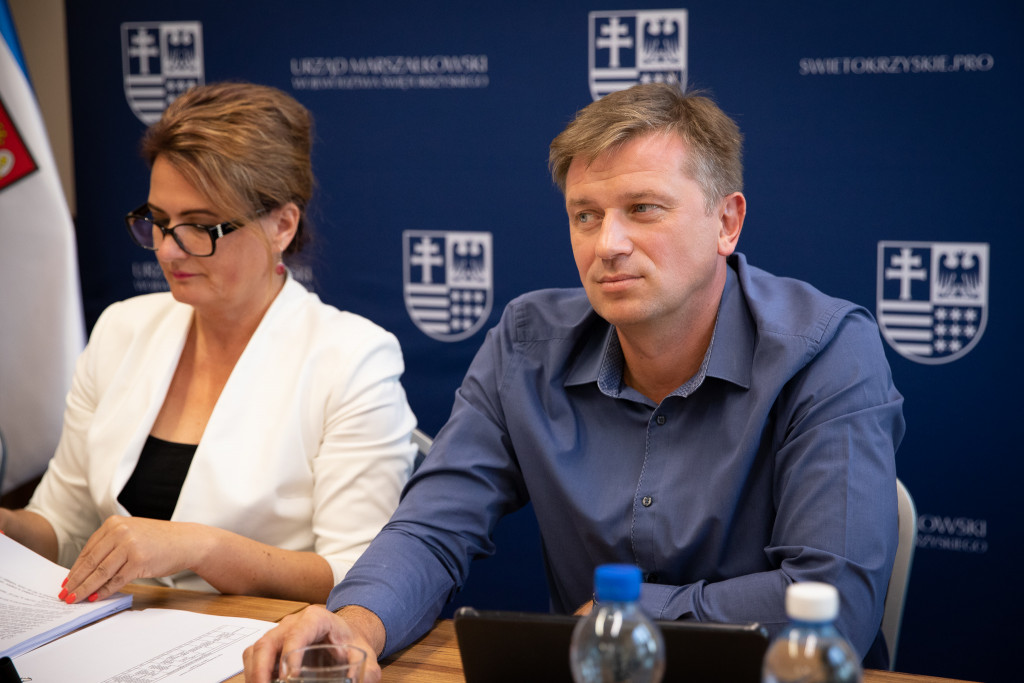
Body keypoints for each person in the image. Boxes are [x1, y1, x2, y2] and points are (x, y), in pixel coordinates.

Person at [243, 82, 904, 682]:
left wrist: (634, 613)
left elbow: (834, 601)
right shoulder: (527, 343)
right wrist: (355, 624)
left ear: (726, 222)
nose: (607, 244)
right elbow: (433, 528)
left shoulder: (827, 350)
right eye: (585, 215)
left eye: (643, 209)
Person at [0, 82, 417, 605]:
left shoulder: (350, 358)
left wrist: (202, 547)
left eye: (199, 227)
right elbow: (62, 528)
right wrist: (9, 528)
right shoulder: (122, 330)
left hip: (260, 639)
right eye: (158, 221)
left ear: (282, 225)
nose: (168, 251)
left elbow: (358, 573)